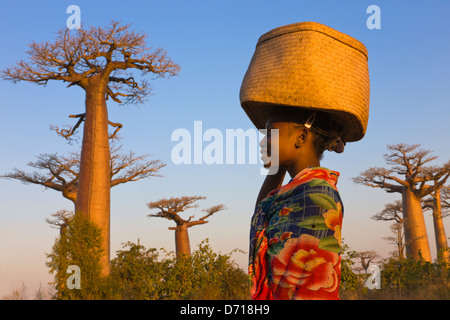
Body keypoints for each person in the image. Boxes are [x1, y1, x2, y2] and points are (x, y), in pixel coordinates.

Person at [249, 107, 345, 300]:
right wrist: (278, 164)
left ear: (301, 137)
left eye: (270, 133)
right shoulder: (297, 191)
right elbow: (262, 213)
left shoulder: (316, 195)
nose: (261, 142)